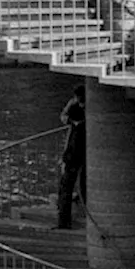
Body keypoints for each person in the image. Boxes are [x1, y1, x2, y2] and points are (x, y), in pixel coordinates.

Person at [56, 85, 86, 229]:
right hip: (78, 154)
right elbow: (64, 116)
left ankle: (64, 221)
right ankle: (65, 218)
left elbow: (64, 117)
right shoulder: (76, 107)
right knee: (75, 185)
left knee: (67, 187)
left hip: (73, 155)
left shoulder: (76, 130)